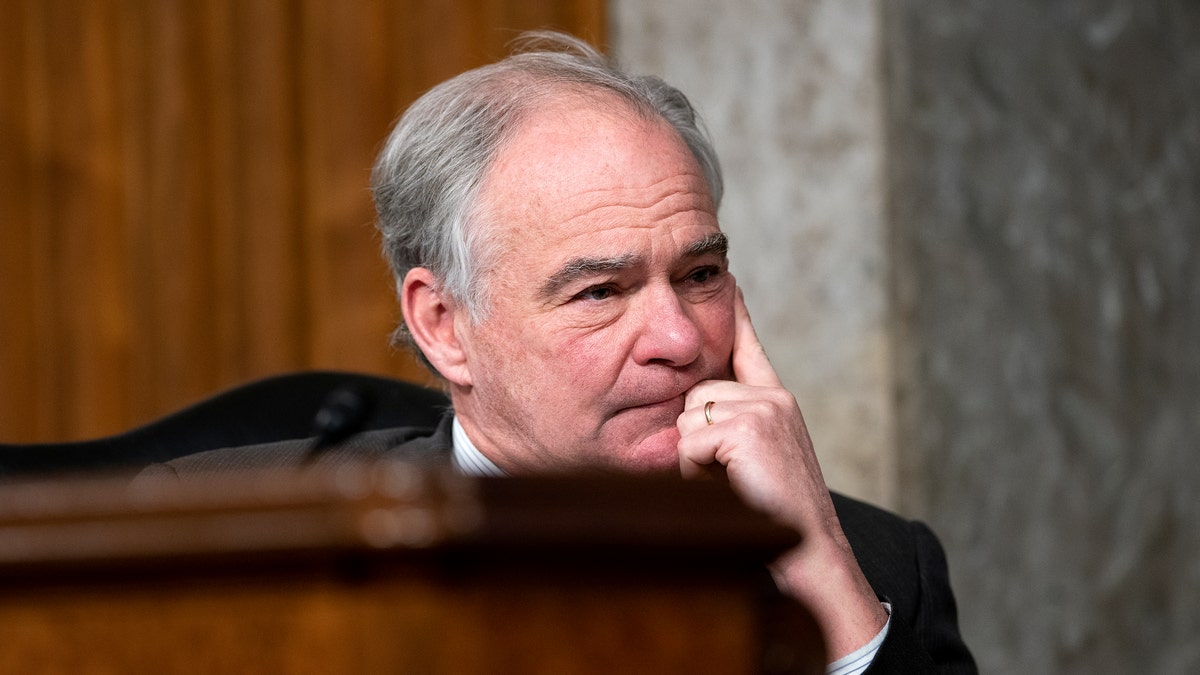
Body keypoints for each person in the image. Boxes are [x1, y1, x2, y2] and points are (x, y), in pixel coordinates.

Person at [152, 32, 976, 674]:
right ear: (444, 323)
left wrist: (822, 579)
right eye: (599, 293)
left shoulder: (873, 567)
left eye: (699, 273)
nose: (681, 340)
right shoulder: (219, 537)